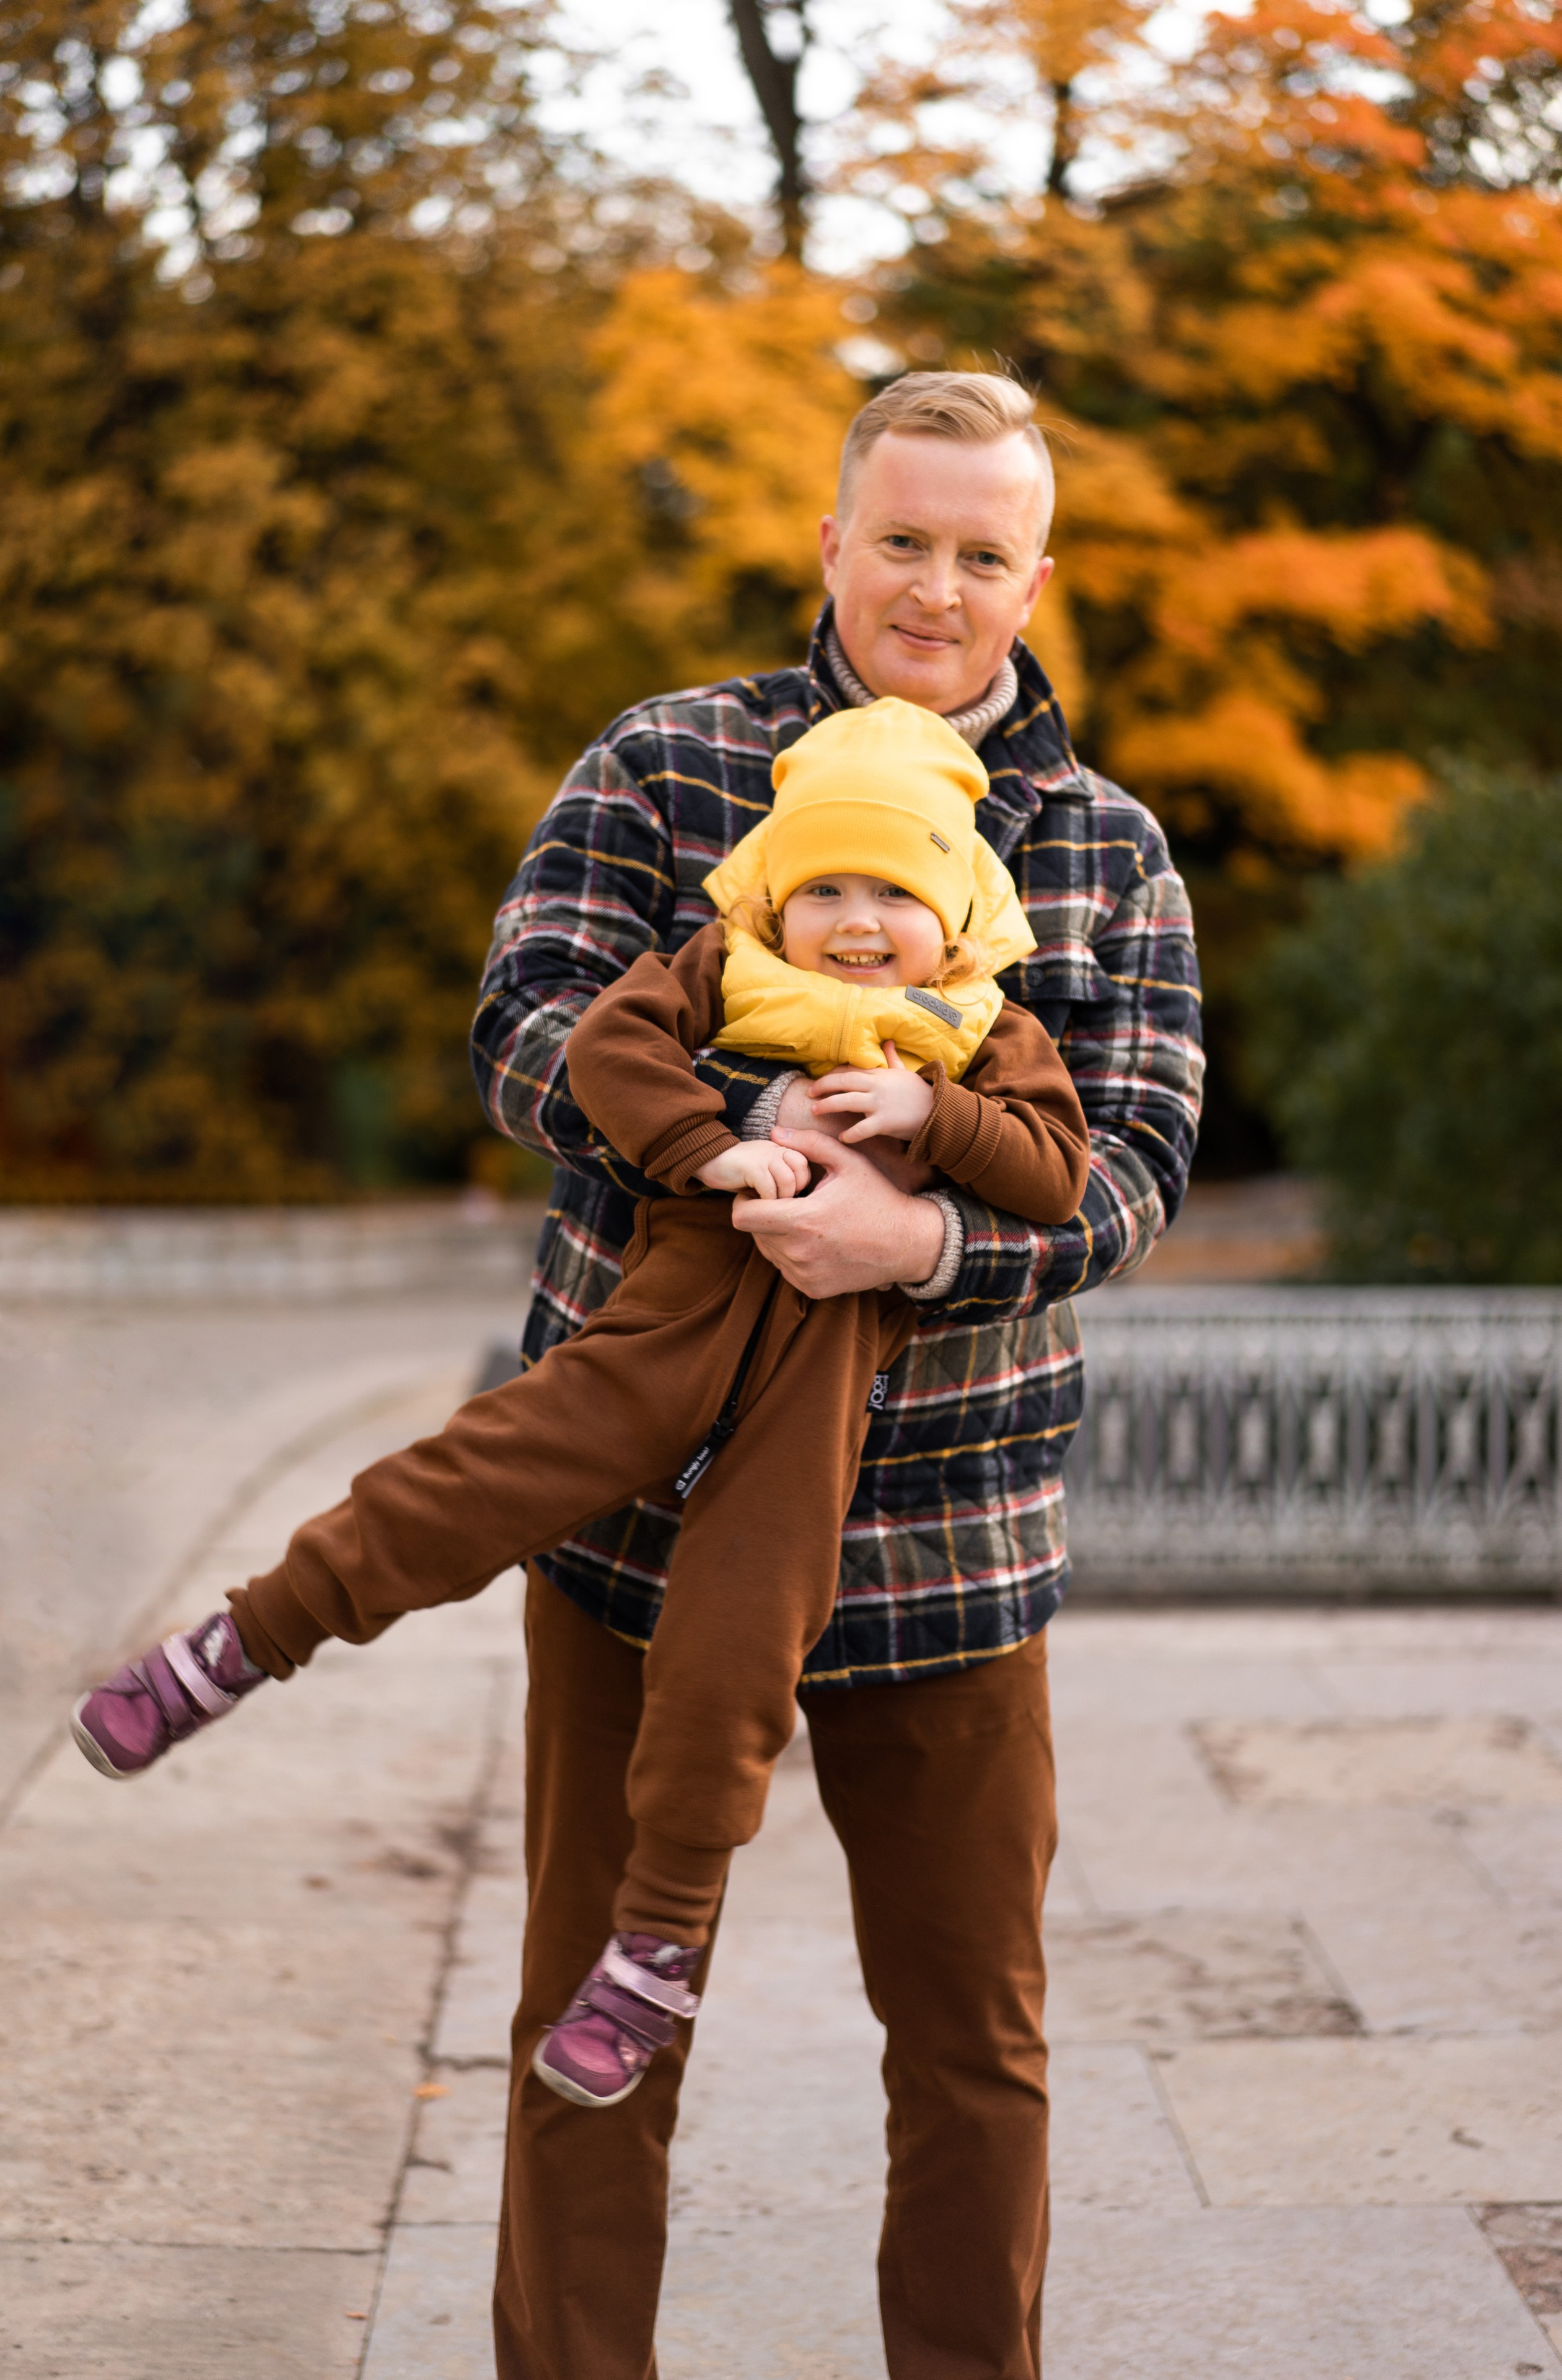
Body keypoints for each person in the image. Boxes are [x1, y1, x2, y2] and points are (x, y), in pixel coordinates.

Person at [466, 369, 1203, 2379]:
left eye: (983, 555)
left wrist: (930, 1242)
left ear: (1035, 582)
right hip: (644, 1525)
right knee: (593, 2031)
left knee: (975, 2052)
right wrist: (739, 1140)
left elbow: (1133, 1176)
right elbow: (531, 1030)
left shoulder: (1110, 852)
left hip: (953, 1550)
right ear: (832, 540)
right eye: (904, 539)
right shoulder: (670, 767)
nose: (938, 590)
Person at [69, 698, 1091, 2126]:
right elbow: (603, 1055)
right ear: (775, 897)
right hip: (665, 1317)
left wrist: (934, 1126)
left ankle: (658, 1942)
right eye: (825, 889)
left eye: (894, 893)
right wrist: (720, 1143)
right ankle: (243, 1640)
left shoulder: (986, 1031)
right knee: (468, 1479)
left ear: (958, 911)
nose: (856, 923)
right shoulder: (713, 967)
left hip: (818, 1388)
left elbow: (1057, 1173)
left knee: (734, 1641)